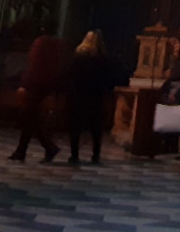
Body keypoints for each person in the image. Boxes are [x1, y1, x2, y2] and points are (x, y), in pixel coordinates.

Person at [8, 30, 64, 163]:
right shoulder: (54, 47)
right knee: (30, 119)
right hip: (44, 86)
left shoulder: (41, 45)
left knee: (29, 118)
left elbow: (33, 68)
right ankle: (22, 150)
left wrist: (25, 84)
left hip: (35, 87)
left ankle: (47, 147)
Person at [65, 30, 111, 164]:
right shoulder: (102, 58)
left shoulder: (79, 56)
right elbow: (106, 78)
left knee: (75, 127)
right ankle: (95, 155)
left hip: (79, 95)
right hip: (95, 96)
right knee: (95, 129)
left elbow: (71, 75)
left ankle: (74, 155)